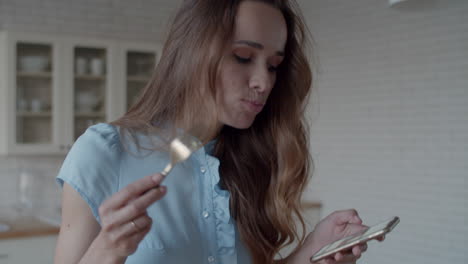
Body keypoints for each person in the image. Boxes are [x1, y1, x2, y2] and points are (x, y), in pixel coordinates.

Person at [54, 1, 379, 263]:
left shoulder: (252, 159)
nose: (263, 83)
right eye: (243, 57)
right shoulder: (104, 152)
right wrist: (109, 249)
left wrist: (311, 252)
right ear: (192, 54)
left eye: (273, 65)